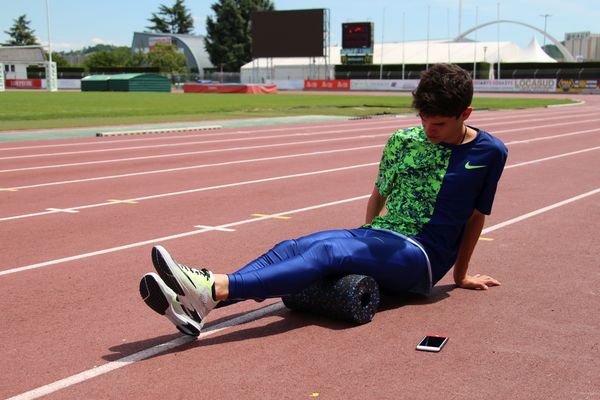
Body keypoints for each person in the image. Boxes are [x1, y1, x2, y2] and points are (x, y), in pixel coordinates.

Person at [139, 63, 508, 337]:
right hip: (384, 234)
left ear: (466, 114)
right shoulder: (404, 140)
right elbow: (379, 193)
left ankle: (213, 286)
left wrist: (460, 275)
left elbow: (477, 216)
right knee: (294, 244)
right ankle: (201, 303)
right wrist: (365, 236)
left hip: (423, 256)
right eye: (424, 120)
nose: (429, 130)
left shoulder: (491, 152)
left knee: (329, 253)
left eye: (439, 124)